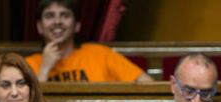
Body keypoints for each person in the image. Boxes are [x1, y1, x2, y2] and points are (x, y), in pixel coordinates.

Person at [26, 0, 154, 83]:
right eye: (50, 16)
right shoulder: (27, 65)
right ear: (39, 27)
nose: (57, 21)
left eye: (65, 15)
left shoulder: (101, 55)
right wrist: (44, 69)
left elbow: (148, 86)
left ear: (77, 25)